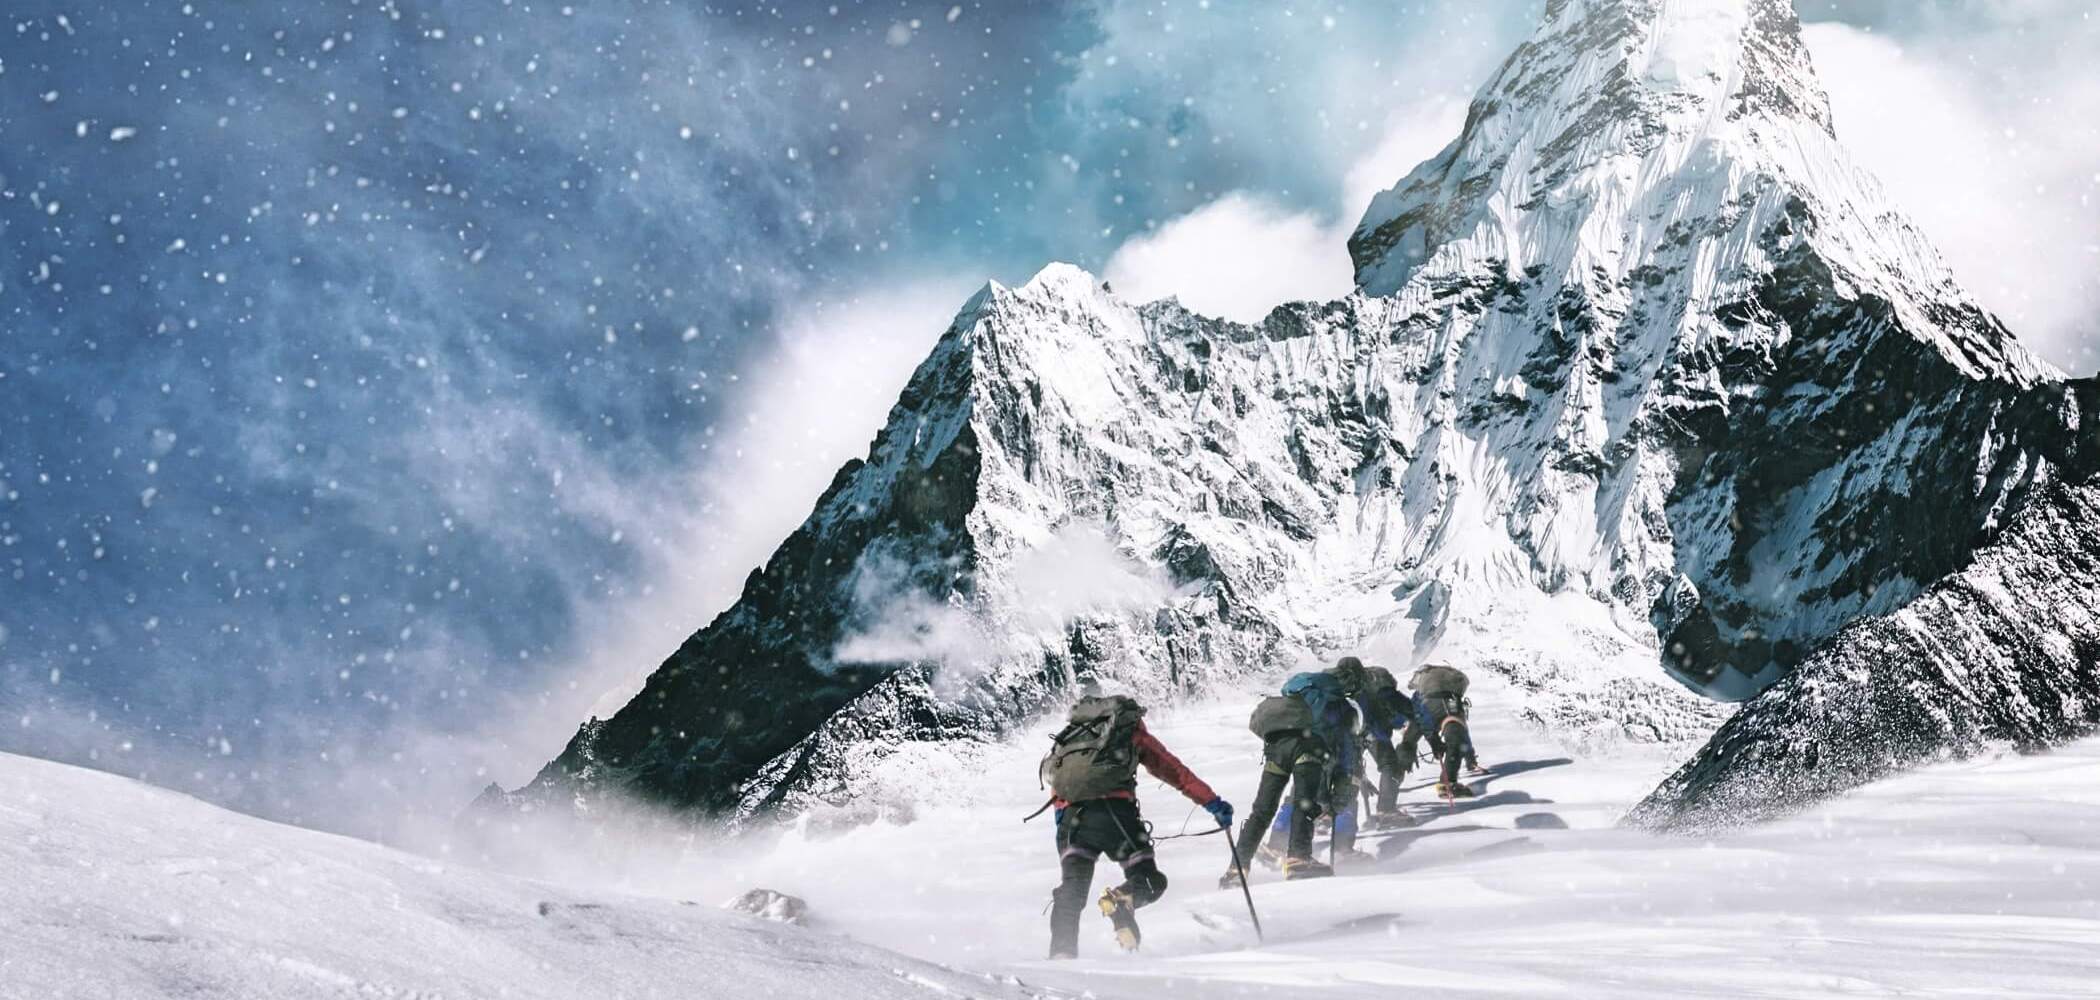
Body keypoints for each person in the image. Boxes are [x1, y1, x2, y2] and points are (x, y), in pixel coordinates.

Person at [1039, 693, 1231, 959]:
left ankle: (1061, 957)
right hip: (1117, 817)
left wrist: (1065, 829)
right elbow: (1174, 771)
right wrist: (1212, 803)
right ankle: (1123, 898)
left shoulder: (1070, 737)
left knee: (1072, 891)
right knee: (1150, 879)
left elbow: (1059, 785)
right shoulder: (1127, 731)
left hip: (1072, 821)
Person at [1223, 660, 1360, 886]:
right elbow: (1345, 755)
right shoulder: (1341, 707)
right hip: (1308, 748)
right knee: (1304, 802)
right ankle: (1299, 858)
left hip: (1277, 745)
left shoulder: (1301, 692)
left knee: (1262, 810)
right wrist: (1341, 792)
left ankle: (1236, 868)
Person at [1397, 662, 1483, 799]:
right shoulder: (1452, 683)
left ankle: (1393, 779)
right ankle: (1448, 783)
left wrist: (1432, 740)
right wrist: (1470, 758)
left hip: (1424, 707)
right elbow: (1462, 735)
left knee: (1408, 741)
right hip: (1449, 703)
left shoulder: (1423, 684)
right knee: (1456, 735)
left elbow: (1417, 713)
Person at [1359, 664, 1421, 825]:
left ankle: (1325, 814)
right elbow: (1408, 711)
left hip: (1348, 734)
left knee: (1344, 771)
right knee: (1391, 766)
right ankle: (1386, 811)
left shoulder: (1357, 694)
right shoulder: (1386, 693)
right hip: (1373, 733)